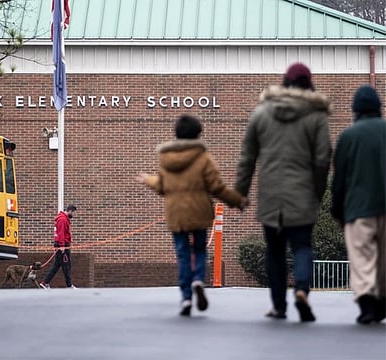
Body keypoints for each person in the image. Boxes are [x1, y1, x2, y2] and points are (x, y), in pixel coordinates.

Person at [235, 63, 331, 322]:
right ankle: (301, 289)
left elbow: (248, 157)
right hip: (303, 194)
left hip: (271, 195)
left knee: (274, 250)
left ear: (284, 83)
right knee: (301, 246)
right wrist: (318, 191)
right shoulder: (316, 116)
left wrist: (240, 193)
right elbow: (323, 160)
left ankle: (278, 306)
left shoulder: (262, 113)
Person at [136, 115, 247, 316]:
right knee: (199, 249)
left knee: (183, 254)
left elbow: (162, 186)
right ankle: (198, 280)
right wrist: (237, 200)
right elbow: (217, 187)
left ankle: (186, 297)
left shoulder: (166, 159)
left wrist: (148, 180)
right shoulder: (203, 158)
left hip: (176, 214)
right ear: (197, 134)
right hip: (199, 212)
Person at [330, 84, 386, 325]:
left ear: (355, 110)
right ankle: (381, 300)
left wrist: (337, 207)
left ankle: (366, 303)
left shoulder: (348, 136)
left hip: (358, 208)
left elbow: (339, 177)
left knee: (362, 257)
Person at [40, 204, 77, 289]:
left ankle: (45, 282)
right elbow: (61, 234)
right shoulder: (63, 220)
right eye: (73, 213)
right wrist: (62, 246)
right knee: (66, 265)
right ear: (70, 211)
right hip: (62, 246)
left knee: (57, 265)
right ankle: (69, 285)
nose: (73, 215)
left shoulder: (64, 219)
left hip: (63, 245)